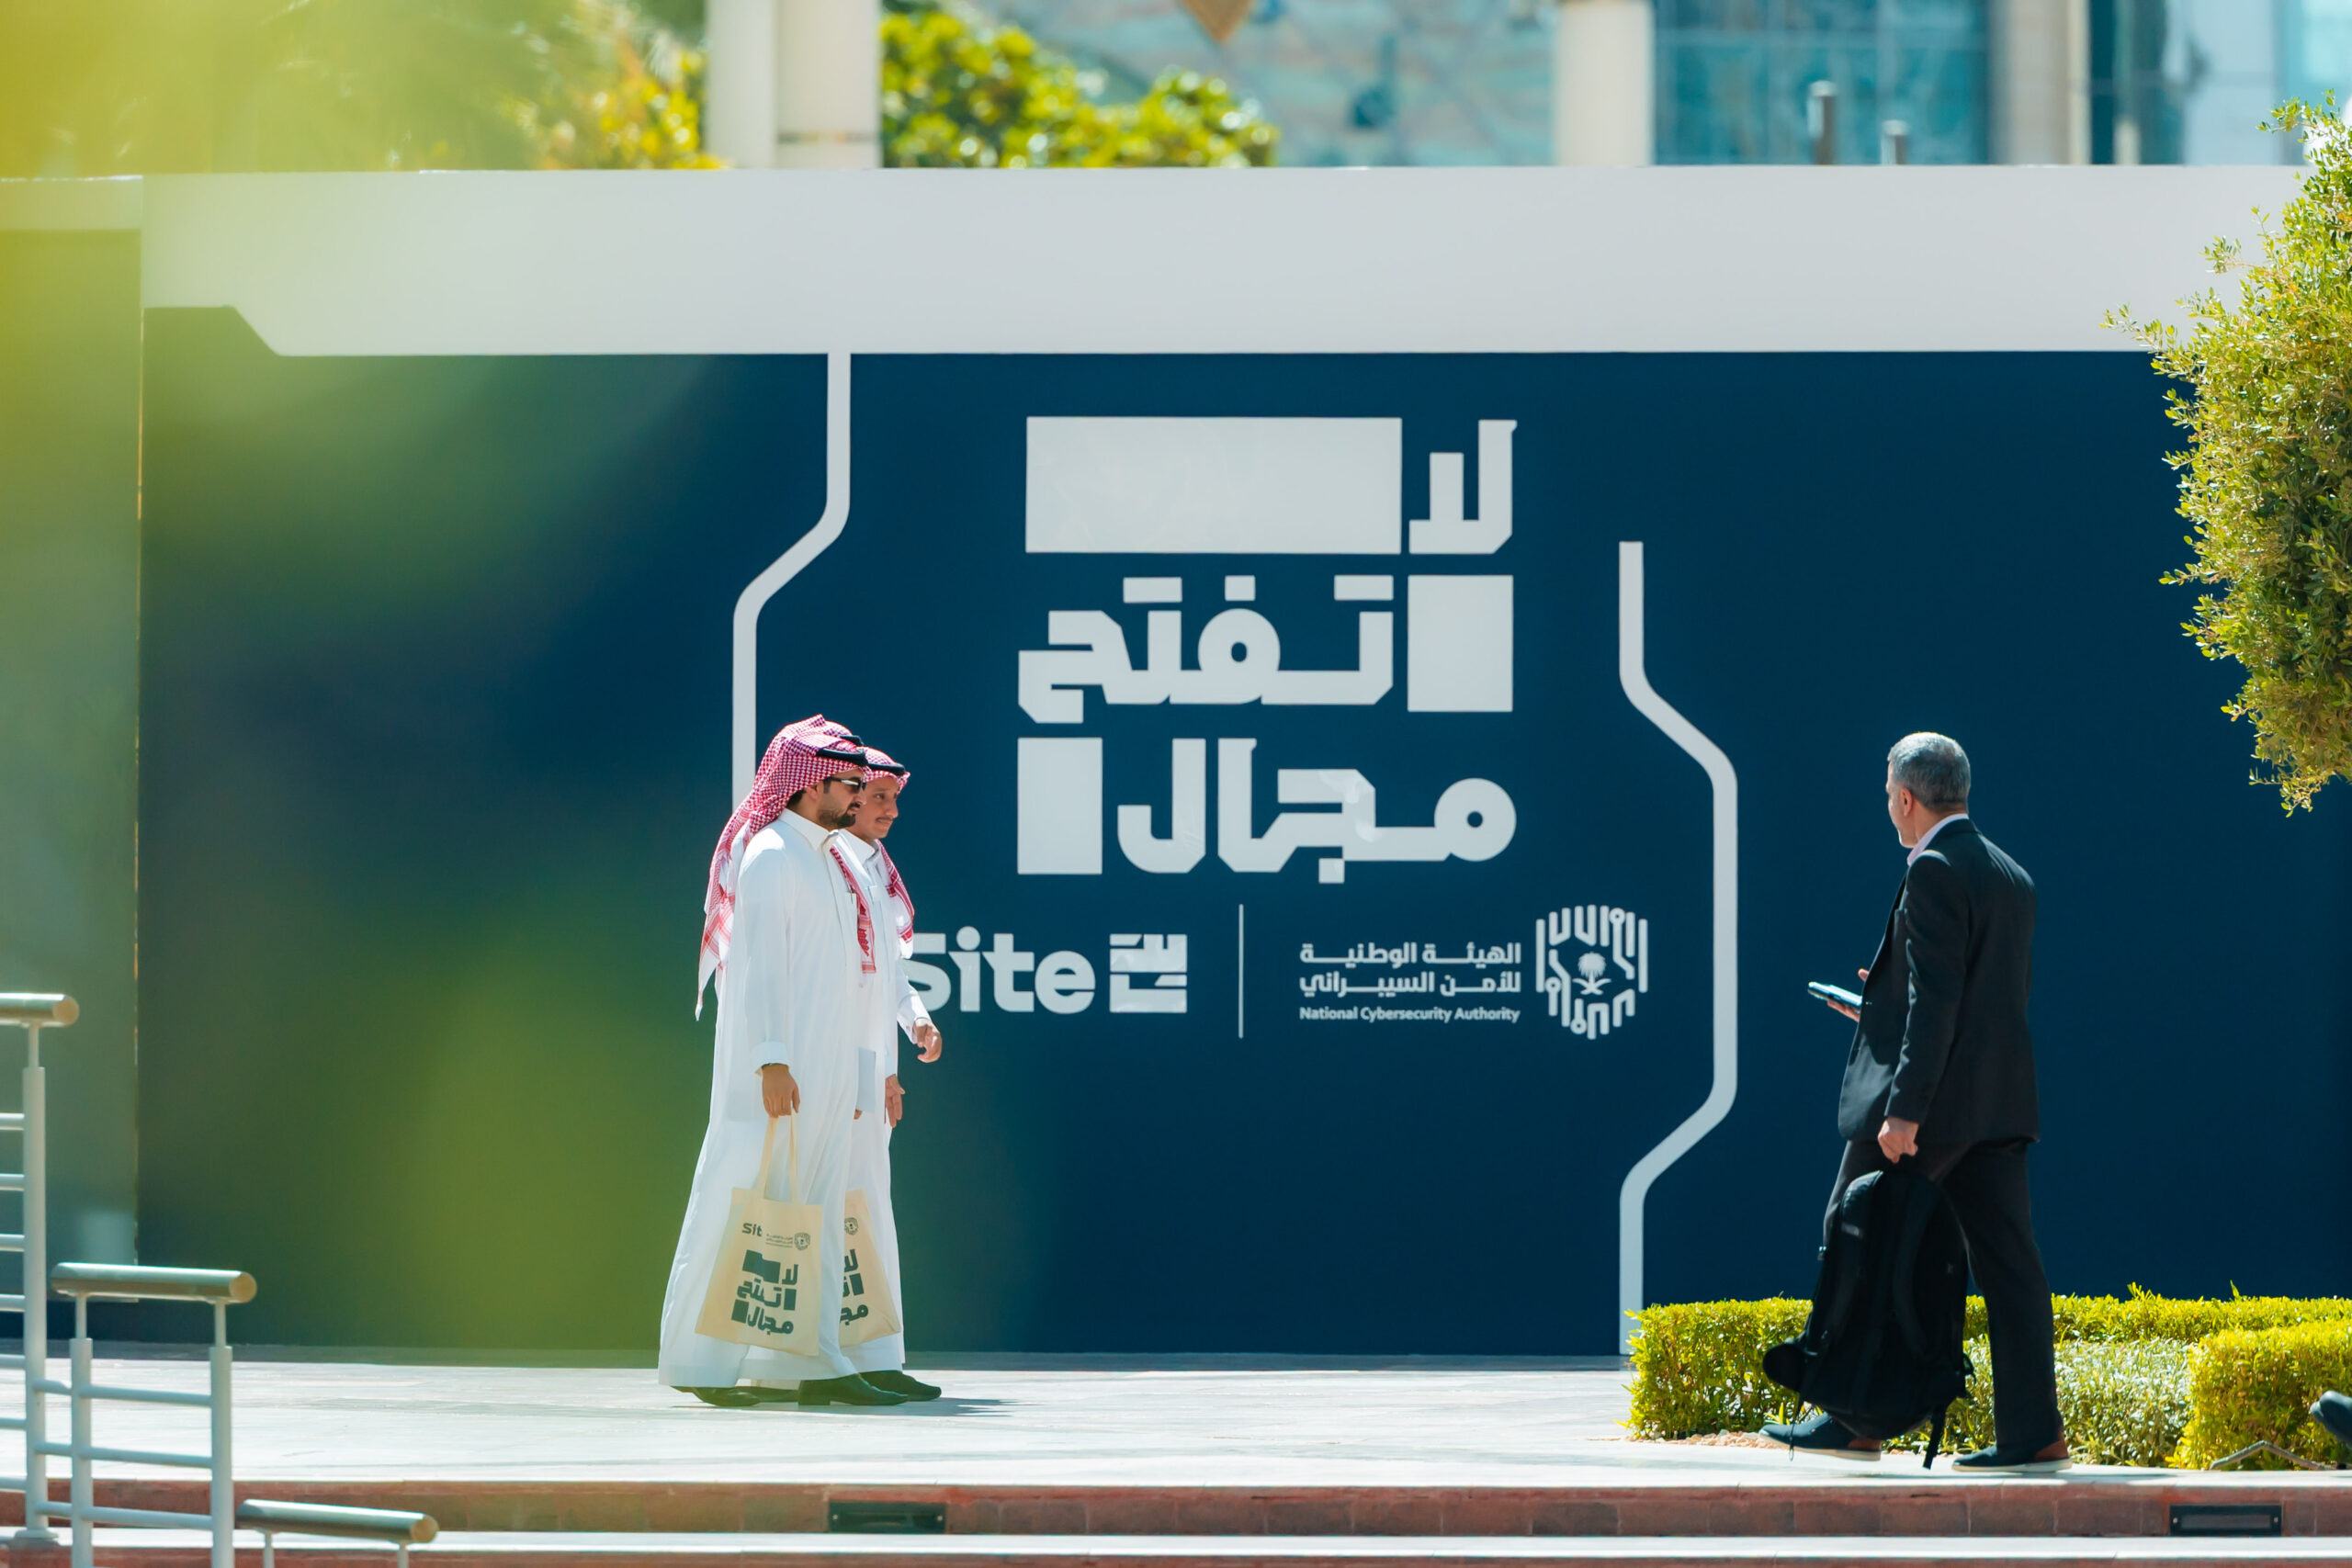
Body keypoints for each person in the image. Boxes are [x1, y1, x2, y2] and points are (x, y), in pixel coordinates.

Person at [1763, 733, 2066, 1471]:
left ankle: (1853, 1419)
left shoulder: (1932, 868)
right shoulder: (2009, 872)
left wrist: (1904, 1111)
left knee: (1854, 1227)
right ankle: (2035, 1433)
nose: (1887, 805)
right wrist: (1882, 1002)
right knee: (2011, 1268)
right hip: (1997, 1106)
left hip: (1932, 1110)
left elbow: (1938, 1005)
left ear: (1906, 797)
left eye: (1887, 794)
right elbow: (1974, 995)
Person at [656, 716, 909, 1408]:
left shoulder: (830, 859)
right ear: (808, 784)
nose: (859, 793)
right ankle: (697, 1362)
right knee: (737, 1203)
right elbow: (761, 967)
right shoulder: (771, 854)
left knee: (818, 1216)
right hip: (776, 1071)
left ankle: (810, 1361)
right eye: (849, 782)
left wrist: (857, 1070)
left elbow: (851, 978)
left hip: (825, 1070)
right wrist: (771, 1059)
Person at [833, 748, 945, 1401]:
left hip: (869, 1078)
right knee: (830, 1214)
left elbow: (884, 976)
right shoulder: (829, 866)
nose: (891, 811)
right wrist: (867, 1072)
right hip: (836, 1079)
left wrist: (916, 1024)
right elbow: (833, 986)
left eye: (894, 798)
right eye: (878, 797)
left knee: (870, 1213)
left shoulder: (870, 866)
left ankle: (875, 1355)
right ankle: (819, 1362)